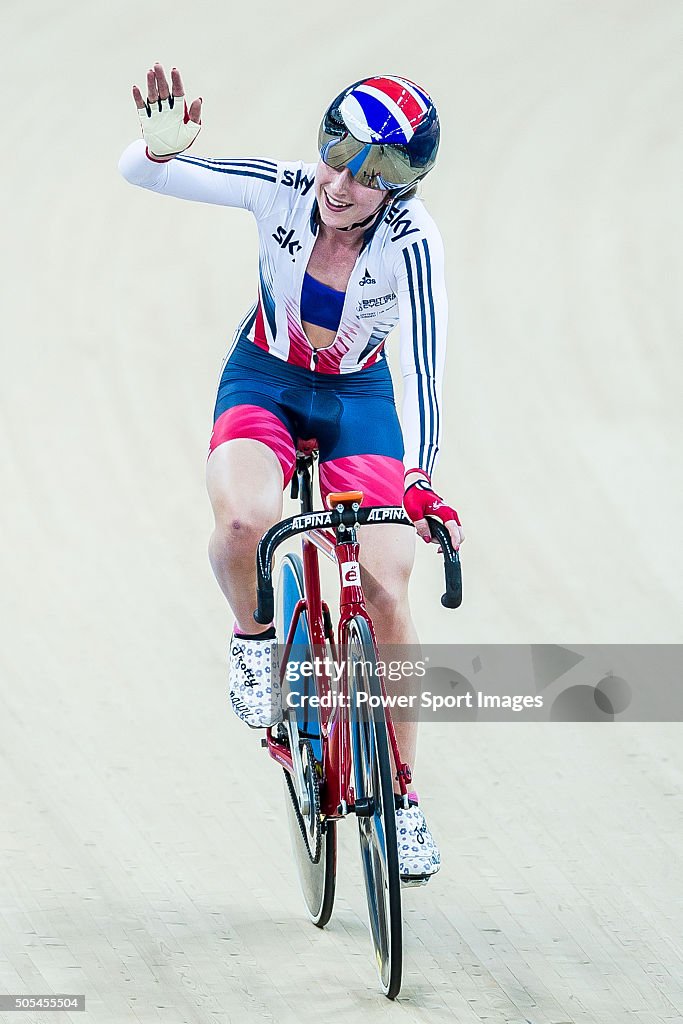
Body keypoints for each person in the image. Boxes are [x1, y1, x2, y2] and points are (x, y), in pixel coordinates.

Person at [119, 63, 464, 883]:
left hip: (360, 399)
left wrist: (418, 476)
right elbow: (139, 173)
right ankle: (252, 640)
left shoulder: (413, 245)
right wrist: (156, 149)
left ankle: (402, 798)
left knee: (385, 587)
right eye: (335, 159)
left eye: (369, 175)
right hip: (265, 379)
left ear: (399, 186)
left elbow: (424, 368)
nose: (342, 185)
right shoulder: (278, 189)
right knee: (244, 523)